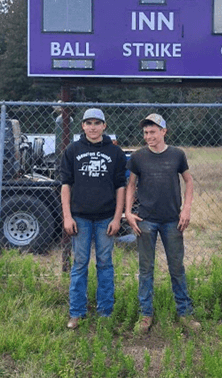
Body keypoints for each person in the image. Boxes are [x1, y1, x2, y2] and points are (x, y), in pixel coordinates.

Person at [125, 113, 201, 334]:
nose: (149, 136)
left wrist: (186, 208)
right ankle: (145, 314)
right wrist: (128, 212)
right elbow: (131, 185)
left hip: (172, 220)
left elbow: (188, 181)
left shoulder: (177, 155)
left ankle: (185, 313)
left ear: (164, 132)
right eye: (146, 133)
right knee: (145, 269)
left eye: (153, 132)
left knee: (176, 268)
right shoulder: (138, 157)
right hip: (146, 220)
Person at [60, 108, 127, 329]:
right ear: (82, 126)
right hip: (80, 218)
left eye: (97, 123)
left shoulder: (115, 152)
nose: (93, 127)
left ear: (104, 126)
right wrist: (67, 216)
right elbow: (66, 185)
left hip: (106, 218)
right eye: (88, 123)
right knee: (80, 264)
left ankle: (105, 312)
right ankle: (77, 313)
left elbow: (120, 187)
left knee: (105, 264)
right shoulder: (72, 150)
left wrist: (117, 218)